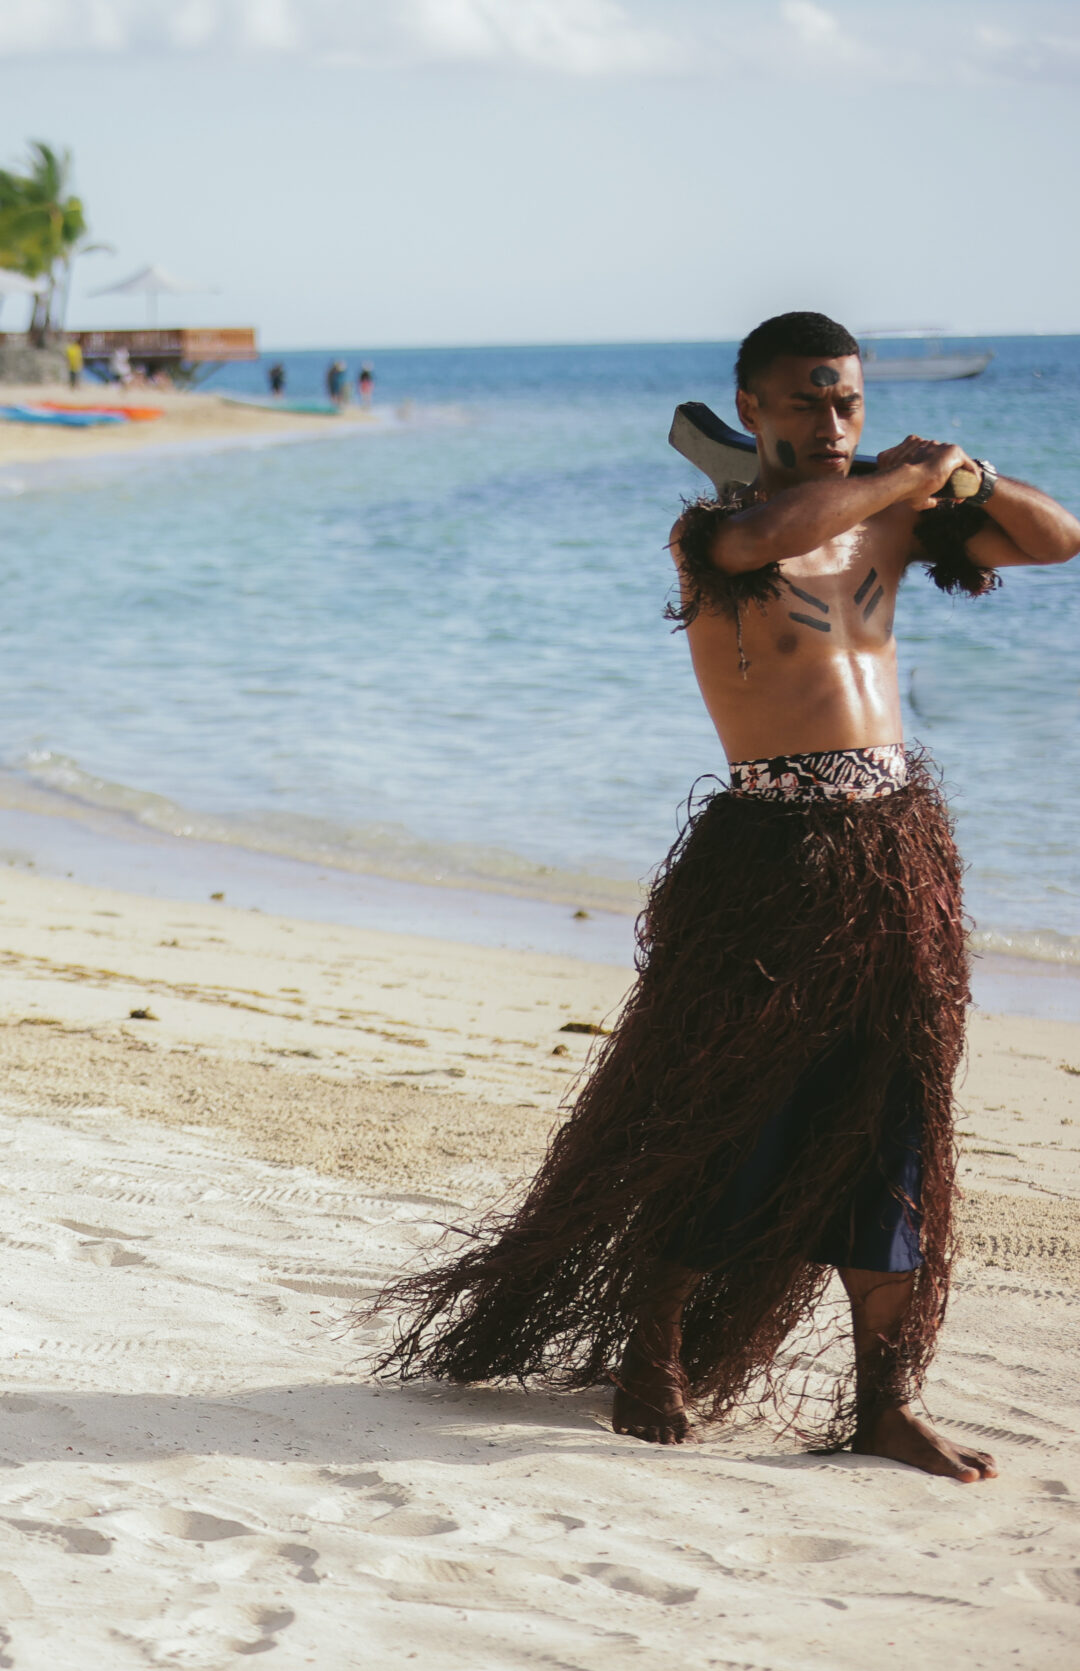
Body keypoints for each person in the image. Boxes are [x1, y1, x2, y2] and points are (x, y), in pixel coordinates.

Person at [371, 312, 1080, 1478]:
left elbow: (1057, 539)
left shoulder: (896, 528)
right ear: (749, 410)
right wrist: (906, 466)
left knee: (890, 1124)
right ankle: (652, 1351)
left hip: (895, 850)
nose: (832, 422)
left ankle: (882, 1403)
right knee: (725, 1110)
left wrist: (966, 473)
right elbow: (770, 538)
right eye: (805, 402)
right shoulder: (715, 530)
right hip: (768, 859)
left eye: (845, 400)